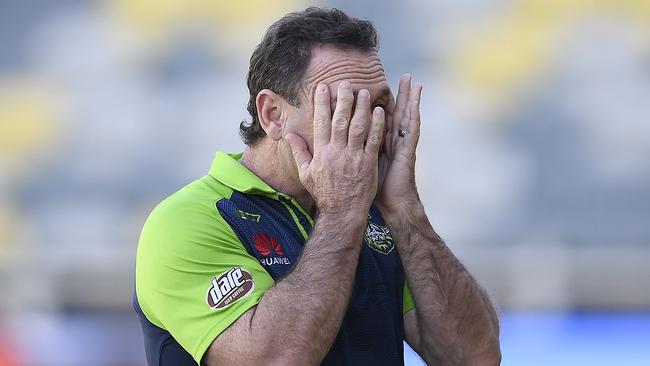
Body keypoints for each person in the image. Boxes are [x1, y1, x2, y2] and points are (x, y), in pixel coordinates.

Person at [134, 7, 501, 366]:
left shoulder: (379, 216)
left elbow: (476, 357)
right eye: (342, 108)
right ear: (272, 114)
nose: (368, 127)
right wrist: (342, 211)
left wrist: (406, 209)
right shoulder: (189, 221)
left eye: (379, 106)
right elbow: (276, 359)